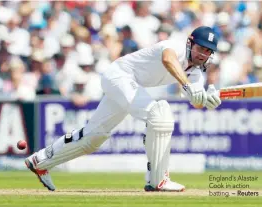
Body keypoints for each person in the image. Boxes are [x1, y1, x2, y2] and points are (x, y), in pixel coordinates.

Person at [25, 26, 222, 192]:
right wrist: (188, 86)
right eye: (201, 48)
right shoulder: (175, 47)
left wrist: (207, 100)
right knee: (159, 114)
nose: (203, 54)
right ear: (190, 43)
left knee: (93, 138)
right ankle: (158, 179)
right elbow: (168, 60)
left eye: (208, 52)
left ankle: (40, 161)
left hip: (128, 84)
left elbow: (196, 101)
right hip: (119, 76)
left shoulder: (196, 73)